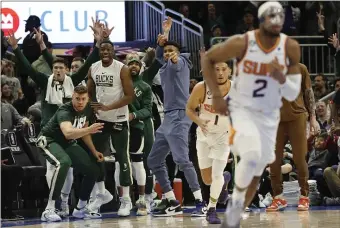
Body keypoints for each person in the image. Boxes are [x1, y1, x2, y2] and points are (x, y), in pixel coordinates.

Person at [201, 2, 302, 227]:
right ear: (262, 19)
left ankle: (237, 204)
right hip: (242, 111)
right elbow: (208, 58)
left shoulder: (290, 47)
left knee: (256, 172)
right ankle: (233, 208)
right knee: (252, 157)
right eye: (270, 16)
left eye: (279, 17)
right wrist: (217, 96)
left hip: (268, 115)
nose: (275, 21)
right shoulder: (243, 42)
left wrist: (280, 76)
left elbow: (293, 92)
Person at [7, 20, 107, 217]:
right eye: (56, 68)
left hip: (69, 136)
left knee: (71, 169)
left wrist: (97, 43)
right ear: (52, 70)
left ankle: (70, 206)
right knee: (58, 168)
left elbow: (87, 63)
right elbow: (28, 68)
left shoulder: (73, 82)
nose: (59, 71)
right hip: (51, 134)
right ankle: (54, 206)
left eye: (62, 68)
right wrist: (17, 49)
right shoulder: (45, 81)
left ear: (67, 70)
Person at [147, 34, 206, 216]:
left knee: (182, 160)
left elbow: (176, 62)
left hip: (181, 115)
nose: (167, 54)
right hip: (168, 118)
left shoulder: (180, 62)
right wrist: (160, 46)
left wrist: (174, 57)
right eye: (166, 51)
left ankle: (200, 202)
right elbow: (158, 58)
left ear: (178, 53)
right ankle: (172, 200)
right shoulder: (164, 66)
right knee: (153, 160)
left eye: (171, 51)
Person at [36, 85, 105, 222]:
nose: (80, 102)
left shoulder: (87, 109)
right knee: (64, 162)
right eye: (77, 98)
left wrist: (94, 150)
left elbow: (84, 131)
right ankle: (49, 209)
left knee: (93, 170)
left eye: (83, 99)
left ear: (87, 99)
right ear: (72, 97)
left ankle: (80, 208)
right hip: (49, 140)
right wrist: (90, 129)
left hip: (67, 143)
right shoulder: (65, 110)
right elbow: (68, 133)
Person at [86, 40, 134, 217]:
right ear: (99, 51)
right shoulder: (93, 68)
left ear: (114, 51)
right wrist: (92, 106)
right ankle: (101, 194)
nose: (105, 51)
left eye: (109, 49)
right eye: (102, 49)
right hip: (100, 118)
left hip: (119, 118)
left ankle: (126, 200)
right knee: (96, 156)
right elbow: (89, 92)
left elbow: (130, 96)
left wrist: (109, 107)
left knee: (122, 157)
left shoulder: (122, 68)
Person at [186, 61, 232, 224]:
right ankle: (224, 182)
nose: (220, 73)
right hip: (204, 135)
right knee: (207, 180)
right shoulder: (201, 87)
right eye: (216, 70)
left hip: (223, 136)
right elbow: (189, 109)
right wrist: (198, 121)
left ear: (229, 71)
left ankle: (212, 210)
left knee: (216, 174)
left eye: (223, 69)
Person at [267, 63, 318, 212]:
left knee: (300, 158)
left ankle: (304, 196)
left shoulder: (301, 68)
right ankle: (278, 198)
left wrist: (313, 117)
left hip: (297, 117)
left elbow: (308, 93)